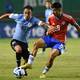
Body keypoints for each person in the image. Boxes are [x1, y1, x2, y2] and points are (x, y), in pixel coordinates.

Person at [20, 2, 80, 78]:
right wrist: (48, 30)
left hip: (60, 42)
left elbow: (77, 26)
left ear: (60, 10)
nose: (53, 12)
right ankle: (29, 64)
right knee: (36, 44)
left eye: (55, 10)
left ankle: (44, 72)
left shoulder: (68, 18)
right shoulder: (50, 17)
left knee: (52, 56)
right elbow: (48, 26)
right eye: (52, 10)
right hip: (50, 38)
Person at [0, 5, 50, 76]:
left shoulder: (34, 20)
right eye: (25, 12)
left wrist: (48, 26)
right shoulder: (18, 16)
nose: (27, 14)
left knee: (27, 60)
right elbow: (8, 15)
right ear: (23, 13)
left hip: (24, 43)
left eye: (28, 13)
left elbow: (41, 23)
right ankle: (18, 67)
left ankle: (22, 70)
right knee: (18, 50)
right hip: (15, 40)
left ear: (31, 13)